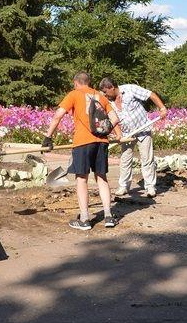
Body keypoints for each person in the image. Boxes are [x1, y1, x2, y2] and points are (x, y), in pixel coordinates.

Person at [42, 72, 122, 230]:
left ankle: (84, 219)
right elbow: (114, 118)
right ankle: (108, 217)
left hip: (82, 142)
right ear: (89, 82)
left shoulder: (74, 94)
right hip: (101, 142)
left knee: (82, 179)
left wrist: (48, 136)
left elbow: (58, 115)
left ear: (76, 83)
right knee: (101, 178)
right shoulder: (100, 96)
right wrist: (108, 131)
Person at [98, 78, 168, 198]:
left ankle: (150, 186)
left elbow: (151, 94)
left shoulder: (130, 89)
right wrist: (119, 134)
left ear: (112, 88)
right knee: (125, 159)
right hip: (126, 133)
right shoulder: (108, 102)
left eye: (105, 91)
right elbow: (113, 119)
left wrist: (162, 108)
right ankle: (124, 186)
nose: (104, 94)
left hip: (143, 128)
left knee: (147, 158)